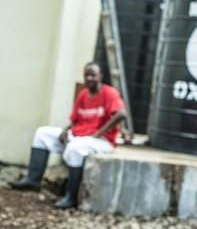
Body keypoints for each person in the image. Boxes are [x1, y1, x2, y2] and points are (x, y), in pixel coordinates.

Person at [10, 62, 127, 209]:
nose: (89, 78)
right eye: (86, 75)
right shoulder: (83, 94)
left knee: (74, 148)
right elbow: (75, 119)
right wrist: (65, 130)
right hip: (80, 135)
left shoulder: (109, 93)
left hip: (102, 140)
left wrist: (99, 133)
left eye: (93, 75)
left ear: (100, 76)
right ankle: (33, 180)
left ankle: (71, 196)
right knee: (42, 133)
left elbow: (121, 114)